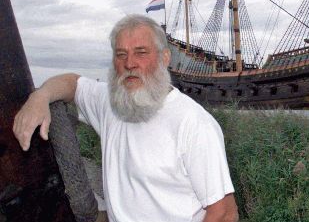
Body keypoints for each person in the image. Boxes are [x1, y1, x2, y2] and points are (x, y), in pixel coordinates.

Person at [13, 15, 238, 222]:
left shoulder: (193, 123)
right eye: (121, 54)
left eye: (141, 52)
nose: (129, 63)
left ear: (165, 58)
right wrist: (40, 97)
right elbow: (72, 83)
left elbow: (225, 213)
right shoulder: (111, 103)